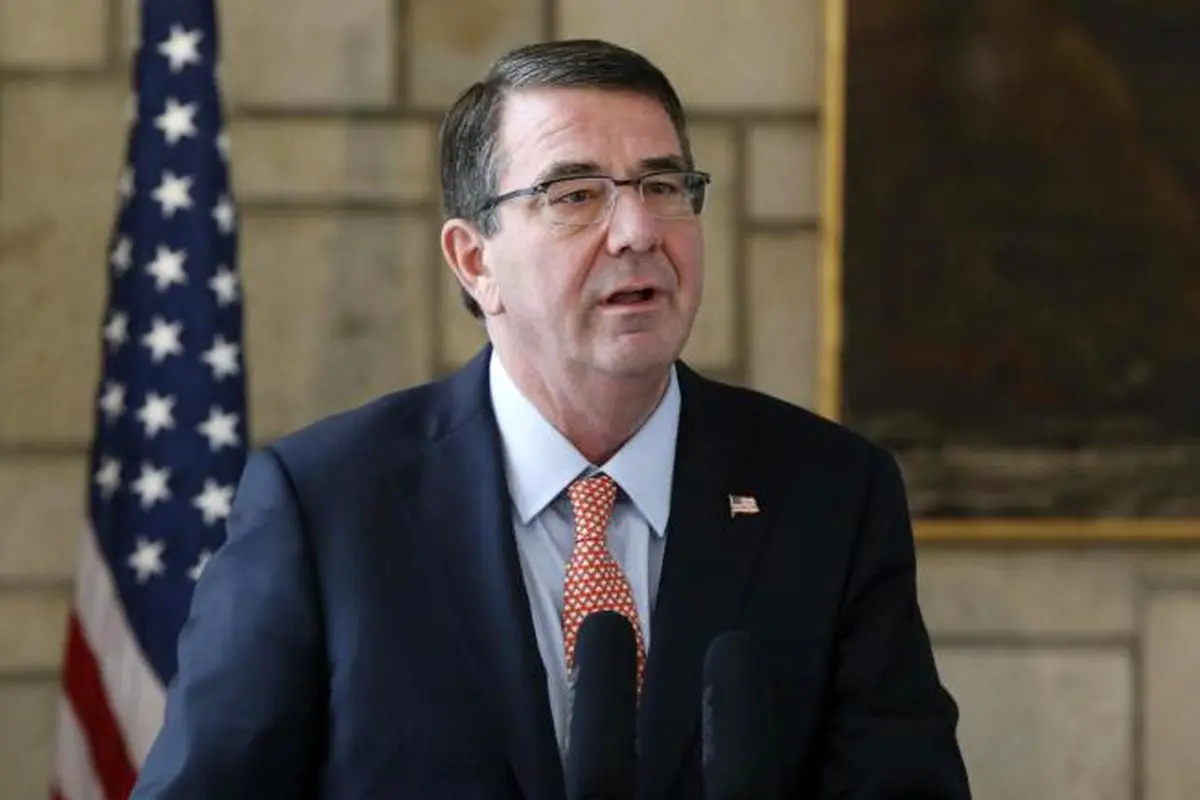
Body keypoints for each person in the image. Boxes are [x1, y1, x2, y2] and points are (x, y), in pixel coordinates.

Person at [132, 38, 971, 799]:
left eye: (662, 186)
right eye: (575, 195)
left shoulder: (830, 493)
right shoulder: (327, 505)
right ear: (475, 261)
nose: (637, 231)